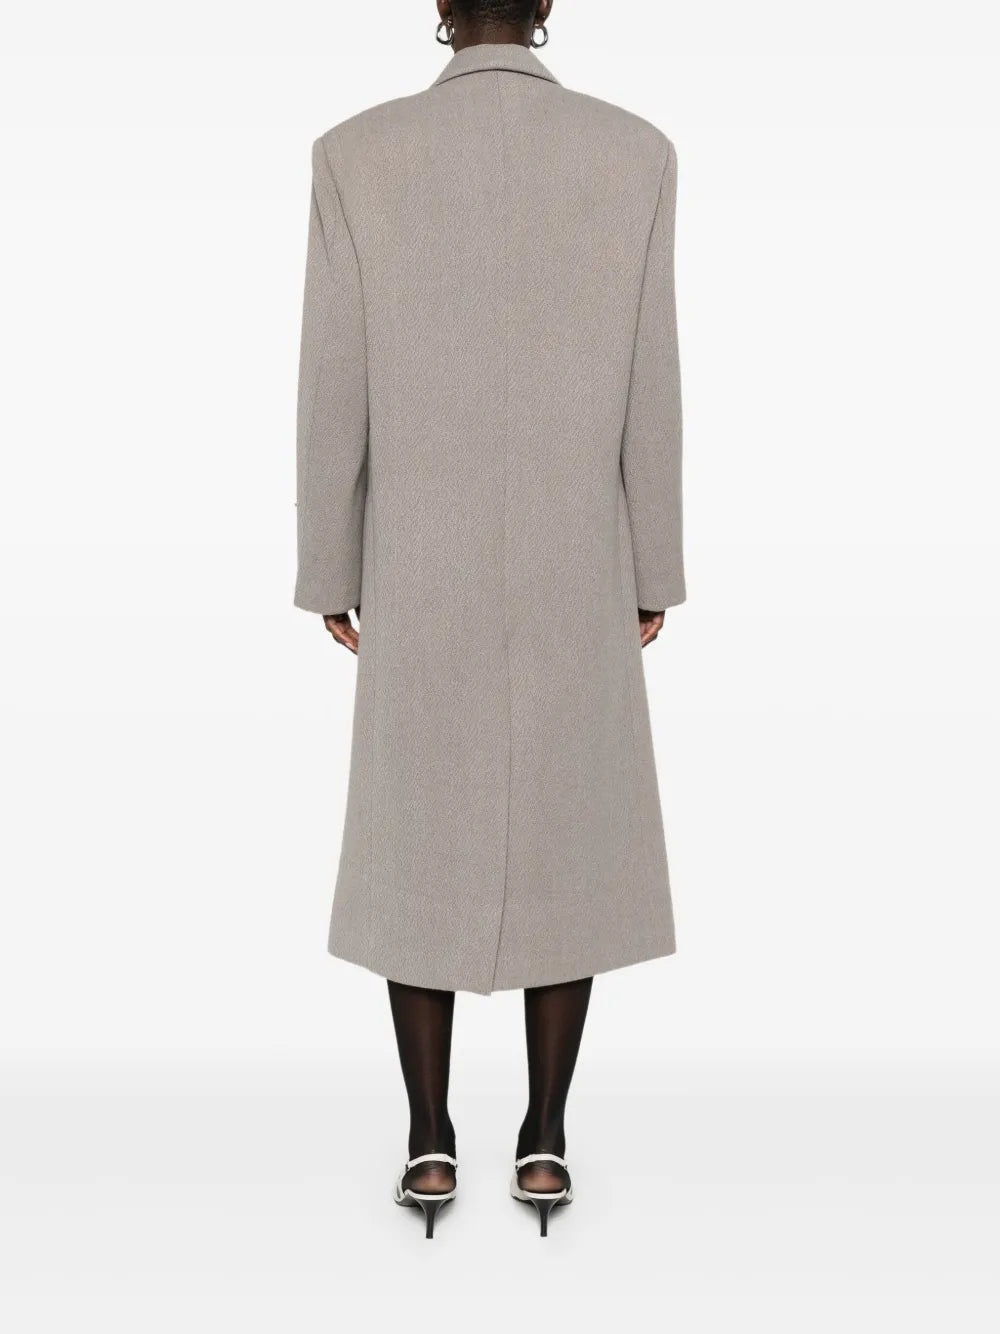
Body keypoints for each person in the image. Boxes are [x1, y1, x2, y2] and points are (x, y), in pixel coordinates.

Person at [294, 0, 684, 1238]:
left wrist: (329, 563)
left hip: (422, 557)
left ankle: (428, 1139)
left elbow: (333, 380)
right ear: (546, 9)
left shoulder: (356, 154)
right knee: (568, 829)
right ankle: (546, 1138)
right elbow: (652, 377)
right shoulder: (634, 152)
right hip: (577, 554)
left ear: (441, 12)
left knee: (416, 831)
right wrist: (652, 566)